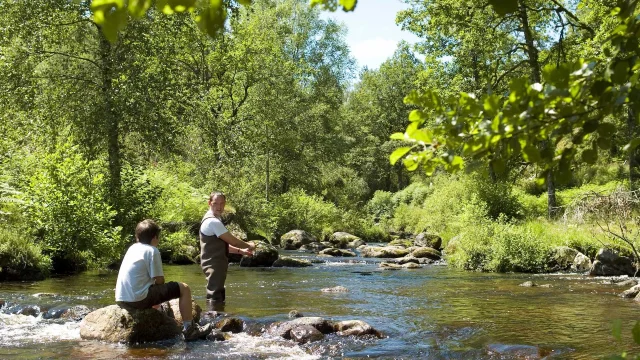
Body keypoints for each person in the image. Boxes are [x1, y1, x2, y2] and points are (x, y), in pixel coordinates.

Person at [115, 219, 212, 341]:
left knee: (154, 290)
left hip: (122, 299)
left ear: (137, 237)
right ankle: (190, 329)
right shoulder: (152, 251)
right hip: (138, 300)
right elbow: (159, 280)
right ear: (155, 237)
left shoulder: (132, 248)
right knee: (184, 288)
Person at [200, 192, 255, 307]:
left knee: (218, 291)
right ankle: (213, 320)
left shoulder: (214, 218)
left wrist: (241, 251)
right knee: (215, 294)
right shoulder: (213, 221)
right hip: (214, 264)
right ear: (209, 203)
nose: (219, 207)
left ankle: (216, 318)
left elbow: (222, 245)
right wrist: (249, 245)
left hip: (213, 263)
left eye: (222, 203)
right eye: (215, 203)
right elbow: (233, 241)